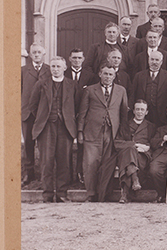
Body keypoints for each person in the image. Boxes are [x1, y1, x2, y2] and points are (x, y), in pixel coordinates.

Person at [77, 64, 130, 202]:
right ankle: (91, 194)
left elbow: (124, 114)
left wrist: (122, 135)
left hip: (111, 132)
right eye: (105, 74)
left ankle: (103, 194)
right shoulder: (90, 90)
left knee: (107, 165)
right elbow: (82, 113)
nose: (108, 77)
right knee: (90, 163)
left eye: (111, 74)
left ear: (114, 76)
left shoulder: (121, 90)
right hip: (92, 131)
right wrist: (80, 132)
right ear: (100, 74)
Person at [28, 57, 77, 202]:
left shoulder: (72, 85)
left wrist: (68, 119)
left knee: (64, 162)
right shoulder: (41, 84)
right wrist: (44, 117)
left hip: (65, 127)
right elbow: (33, 105)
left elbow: (77, 104)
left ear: (65, 68)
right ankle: (47, 194)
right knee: (46, 161)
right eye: (53, 66)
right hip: (46, 128)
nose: (55, 69)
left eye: (58, 66)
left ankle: (62, 193)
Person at [114, 99, 156, 203]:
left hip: (143, 156)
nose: (140, 112)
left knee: (128, 160)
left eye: (142, 110)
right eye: (137, 109)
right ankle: (134, 179)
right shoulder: (125, 126)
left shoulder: (151, 127)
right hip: (126, 154)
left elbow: (154, 143)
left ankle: (125, 193)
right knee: (130, 152)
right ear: (133, 111)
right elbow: (117, 143)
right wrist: (134, 145)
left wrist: (147, 147)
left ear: (146, 112)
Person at [21, 43, 50, 184]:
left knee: (45, 144)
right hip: (27, 113)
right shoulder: (23, 70)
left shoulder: (50, 70)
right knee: (28, 144)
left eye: (39, 52)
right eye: (34, 52)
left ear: (44, 54)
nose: (37, 54)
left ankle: (45, 174)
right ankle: (29, 173)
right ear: (30, 54)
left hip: (44, 115)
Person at [67, 48, 96, 183]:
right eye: (74, 58)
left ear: (83, 59)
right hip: (67, 114)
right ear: (69, 59)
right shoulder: (64, 73)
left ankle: (80, 173)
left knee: (81, 145)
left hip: (84, 115)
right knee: (66, 145)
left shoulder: (90, 76)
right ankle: (67, 175)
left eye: (79, 58)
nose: (77, 60)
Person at [131, 50, 167, 128]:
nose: (154, 62)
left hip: (161, 114)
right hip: (143, 113)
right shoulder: (139, 76)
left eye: (157, 60)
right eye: (152, 59)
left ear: (161, 62)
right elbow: (133, 94)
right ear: (148, 60)